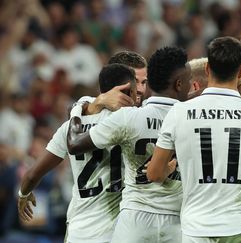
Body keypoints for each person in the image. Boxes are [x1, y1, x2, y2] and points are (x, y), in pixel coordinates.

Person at [147, 36, 241, 242]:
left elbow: (154, 173)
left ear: (207, 70)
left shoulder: (179, 112)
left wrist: (168, 169)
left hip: (197, 229)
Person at [66, 46, 191, 243]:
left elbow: (72, 142)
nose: (139, 88)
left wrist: (80, 108)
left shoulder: (124, 115)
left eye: (144, 82)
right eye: (134, 82)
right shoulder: (185, 116)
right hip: (104, 221)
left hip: (128, 220)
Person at [18, 63, 137, 243]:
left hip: (78, 231)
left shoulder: (70, 127)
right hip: (116, 232)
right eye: (135, 90)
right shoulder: (130, 122)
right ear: (126, 90)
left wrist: (23, 195)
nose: (137, 96)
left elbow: (32, 175)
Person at [82, 50, 150, 115]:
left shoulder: (150, 113)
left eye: (143, 82)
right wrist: (98, 103)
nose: (140, 90)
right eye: (134, 82)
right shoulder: (85, 105)